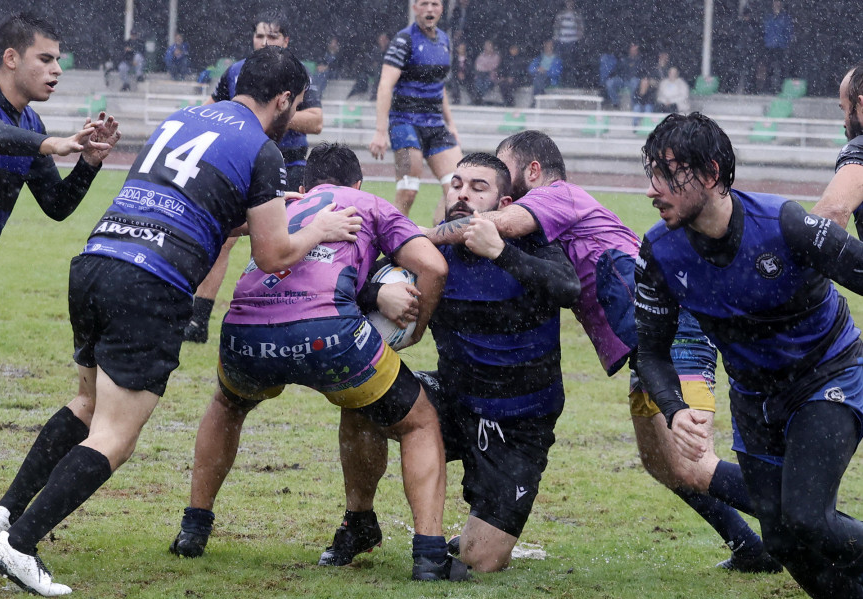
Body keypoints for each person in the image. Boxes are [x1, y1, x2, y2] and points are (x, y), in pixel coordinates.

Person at [0, 47, 362, 597]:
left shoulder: (182, 117)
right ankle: (21, 545)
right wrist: (318, 226)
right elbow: (277, 256)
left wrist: (263, 213)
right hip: (150, 285)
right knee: (115, 434)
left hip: (96, 264)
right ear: (283, 100)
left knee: (85, 405)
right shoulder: (264, 150)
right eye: (293, 104)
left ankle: (5, 514)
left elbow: (192, 207)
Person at [420, 130, 776, 572]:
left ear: (533, 171)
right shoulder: (550, 213)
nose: (499, 185)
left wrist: (415, 235)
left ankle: (808, 512)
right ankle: (751, 548)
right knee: (663, 465)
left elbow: (491, 224)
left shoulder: (557, 195)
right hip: (645, 345)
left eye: (502, 169)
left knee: (694, 465)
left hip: (672, 334)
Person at [169, 143, 468, 582]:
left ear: (304, 186)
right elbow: (433, 267)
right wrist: (416, 330)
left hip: (246, 331)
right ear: (358, 185)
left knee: (228, 406)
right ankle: (429, 556)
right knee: (418, 420)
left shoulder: (285, 205)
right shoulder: (370, 203)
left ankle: (193, 529)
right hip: (327, 335)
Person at [635, 112, 863, 598]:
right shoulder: (658, 251)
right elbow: (651, 354)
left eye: (667, 174)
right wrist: (674, 411)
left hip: (828, 376)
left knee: (808, 519)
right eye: (650, 173)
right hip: (755, 397)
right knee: (782, 538)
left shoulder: (782, 224)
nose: (652, 189)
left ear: (711, 174)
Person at [318, 151, 581, 572]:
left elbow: (569, 289)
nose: (462, 194)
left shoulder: (529, 245)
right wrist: (375, 295)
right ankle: (360, 520)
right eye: (456, 185)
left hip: (519, 422)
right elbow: (344, 284)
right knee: (361, 397)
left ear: (505, 207)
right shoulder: (430, 255)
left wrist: (501, 253)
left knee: (480, 559)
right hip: (453, 400)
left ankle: (484, 524)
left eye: (479, 188)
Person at [0, 12, 120, 529]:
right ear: (11, 58)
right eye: (45, 59)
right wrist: (52, 145)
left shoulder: (30, 123)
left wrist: (89, 162)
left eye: (58, 61)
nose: (56, 70)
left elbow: (55, 204)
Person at [182, 9, 324, 344]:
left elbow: (316, 121)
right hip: (240, 162)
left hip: (286, 165)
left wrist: (270, 114)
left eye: (272, 37)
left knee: (269, 244)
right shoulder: (236, 71)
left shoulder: (295, 73)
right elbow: (212, 104)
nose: (264, 42)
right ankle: (198, 322)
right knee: (224, 238)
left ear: (286, 40)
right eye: (259, 35)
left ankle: (261, 318)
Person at [370, 0, 462, 224]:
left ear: (441, 9)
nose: (430, 9)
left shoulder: (444, 40)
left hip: (435, 125)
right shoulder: (404, 40)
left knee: (458, 188)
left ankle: (439, 241)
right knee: (408, 189)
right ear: (415, 8)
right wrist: (381, 131)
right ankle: (393, 245)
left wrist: (452, 125)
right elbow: (385, 85)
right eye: (424, 4)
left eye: (435, 4)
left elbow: (440, 87)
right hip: (404, 123)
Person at [810, 63, 863, 233]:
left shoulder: (859, 148)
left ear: (861, 103)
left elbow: (833, 211)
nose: (844, 122)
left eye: (845, 108)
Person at [760, 0, 793, 94]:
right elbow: (765, 30)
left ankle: (780, 88)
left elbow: (789, 32)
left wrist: (785, 42)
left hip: (780, 46)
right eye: (775, 2)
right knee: (769, 68)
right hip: (770, 46)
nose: (776, 4)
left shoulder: (785, 18)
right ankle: (768, 88)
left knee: (781, 68)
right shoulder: (769, 17)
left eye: (778, 2)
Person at [347, 32, 389, 100]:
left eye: (384, 39)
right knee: (363, 75)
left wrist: (379, 64)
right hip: (374, 70)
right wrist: (373, 64)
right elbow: (371, 61)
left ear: (387, 40)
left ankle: (375, 93)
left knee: (378, 71)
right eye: (381, 39)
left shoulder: (389, 51)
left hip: (385, 71)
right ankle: (355, 92)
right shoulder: (375, 50)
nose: (382, 41)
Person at [552, 0, 584, 87]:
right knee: (561, 63)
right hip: (561, 42)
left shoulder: (577, 15)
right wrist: (556, 39)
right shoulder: (561, 14)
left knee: (571, 63)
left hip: (572, 42)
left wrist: (578, 38)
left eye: (571, 2)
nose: (569, 4)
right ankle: (561, 82)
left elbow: (581, 29)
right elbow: (556, 27)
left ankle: (571, 83)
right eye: (568, 2)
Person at [604, 42, 646, 110]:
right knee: (609, 83)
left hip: (631, 81)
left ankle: (633, 104)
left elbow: (641, 73)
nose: (634, 50)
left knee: (635, 82)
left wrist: (634, 76)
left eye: (635, 49)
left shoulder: (640, 60)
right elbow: (617, 70)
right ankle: (616, 102)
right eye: (632, 48)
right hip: (621, 80)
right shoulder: (623, 58)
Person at [497, 43, 528, 107]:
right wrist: (502, 76)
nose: (513, 50)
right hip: (507, 79)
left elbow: (522, 71)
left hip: (519, 79)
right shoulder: (506, 59)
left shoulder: (521, 59)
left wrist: (513, 77)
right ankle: (508, 101)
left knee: (508, 85)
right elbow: (501, 69)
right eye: (511, 49)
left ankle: (510, 102)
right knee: (502, 84)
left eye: (514, 49)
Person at [471, 39, 500, 105]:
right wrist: (485, 68)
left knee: (487, 83)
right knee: (478, 83)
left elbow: (494, 66)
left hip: (490, 76)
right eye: (486, 46)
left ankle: (479, 99)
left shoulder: (496, 57)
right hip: (480, 75)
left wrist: (485, 68)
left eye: (489, 46)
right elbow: (477, 66)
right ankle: (479, 98)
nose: (487, 47)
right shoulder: (481, 56)